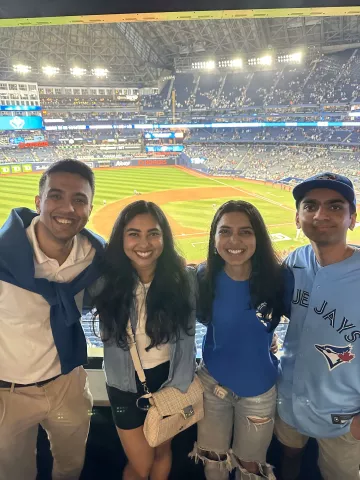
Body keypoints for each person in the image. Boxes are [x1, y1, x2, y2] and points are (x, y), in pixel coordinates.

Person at [0, 159, 105, 480]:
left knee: (71, 465)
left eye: (79, 200)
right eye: (56, 196)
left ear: (89, 209)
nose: (67, 208)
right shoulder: (2, 254)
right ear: (38, 202)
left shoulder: (96, 256)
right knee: (14, 474)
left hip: (66, 385)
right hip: (7, 393)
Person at [93, 200, 197, 480]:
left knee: (163, 453)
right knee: (141, 465)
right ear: (121, 238)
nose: (145, 243)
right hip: (123, 384)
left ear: (164, 237)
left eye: (153, 233)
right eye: (133, 233)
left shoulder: (184, 280)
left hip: (169, 381)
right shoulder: (104, 282)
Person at [191, 200, 293, 480]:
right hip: (212, 384)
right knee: (213, 461)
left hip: (258, 392)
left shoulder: (279, 278)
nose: (234, 240)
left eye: (245, 232)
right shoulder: (204, 276)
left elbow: (302, 323)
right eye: (225, 231)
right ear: (214, 238)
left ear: (258, 237)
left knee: (251, 468)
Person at [275, 172, 360, 480]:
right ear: (298, 218)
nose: (321, 215)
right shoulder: (295, 261)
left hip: (343, 416)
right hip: (290, 401)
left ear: (352, 217)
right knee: (289, 459)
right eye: (310, 206)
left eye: (335, 207)